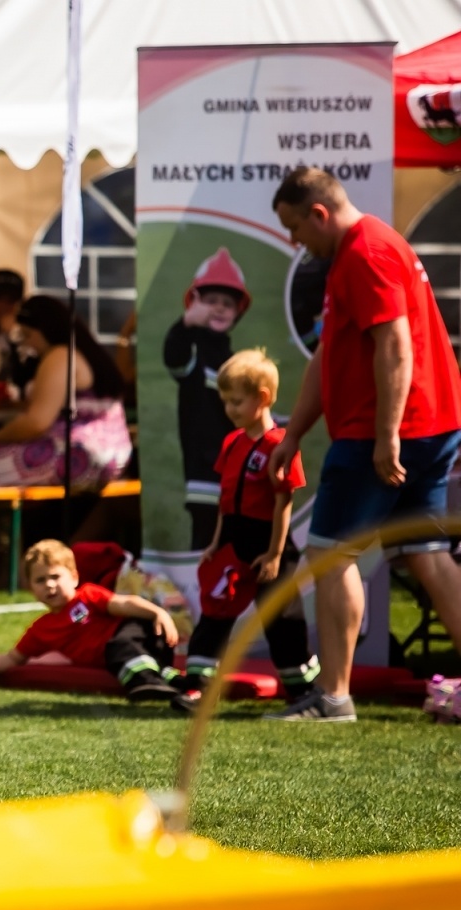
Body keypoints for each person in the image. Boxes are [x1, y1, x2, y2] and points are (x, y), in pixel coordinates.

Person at [266, 167, 461, 722]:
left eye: (295, 227)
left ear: (318, 213)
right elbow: (331, 353)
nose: (293, 240)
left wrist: (386, 436)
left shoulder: (366, 252)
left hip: (389, 430)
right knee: (427, 556)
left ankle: (333, 698)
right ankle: (334, 695)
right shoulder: (361, 247)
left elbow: (395, 345)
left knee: (329, 555)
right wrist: (296, 432)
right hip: (431, 424)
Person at [0, 295, 133, 590]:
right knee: (2, 475)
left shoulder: (60, 355)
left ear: (46, 330)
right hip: (113, 457)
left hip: (78, 456)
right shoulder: (88, 353)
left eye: (29, 335)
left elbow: (36, 422)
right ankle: (15, 568)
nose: (28, 343)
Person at [182, 350, 318, 701]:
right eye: (225, 401)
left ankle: (301, 688)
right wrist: (215, 542)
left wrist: (274, 554)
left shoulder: (280, 444)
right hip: (232, 539)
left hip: (268, 542)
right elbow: (225, 503)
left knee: (281, 617)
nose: (229, 409)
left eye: (236, 402)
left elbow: (282, 501)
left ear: (262, 398)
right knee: (216, 607)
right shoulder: (232, 442)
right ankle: (198, 685)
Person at [0, 540, 194, 712]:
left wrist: (158, 613)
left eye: (55, 576)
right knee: (127, 658)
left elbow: (123, 603)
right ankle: (179, 685)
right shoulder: (41, 629)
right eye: (40, 580)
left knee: (120, 644)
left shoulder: (87, 596)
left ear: (74, 577)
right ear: (31, 589)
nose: (50, 585)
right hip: (120, 657)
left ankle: (145, 681)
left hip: (142, 634)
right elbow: (15, 657)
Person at [164, 248, 251, 549]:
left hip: (237, 474)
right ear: (194, 303)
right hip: (203, 475)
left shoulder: (235, 361)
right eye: (211, 301)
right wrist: (185, 324)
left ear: (238, 311)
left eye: (227, 303)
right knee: (205, 544)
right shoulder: (192, 354)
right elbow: (173, 357)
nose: (219, 309)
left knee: (236, 541)